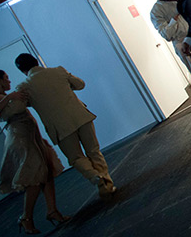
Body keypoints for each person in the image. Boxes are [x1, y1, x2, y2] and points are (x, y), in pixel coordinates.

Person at [0, 70, 70, 235]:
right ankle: (26, 217)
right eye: (6, 78)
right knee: (34, 177)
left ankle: (52, 210)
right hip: (21, 139)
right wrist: (9, 97)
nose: (9, 80)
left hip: (31, 136)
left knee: (45, 172)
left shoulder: (8, 95)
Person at [14, 53, 117, 198]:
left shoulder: (24, 87)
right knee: (94, 151)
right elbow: (80, 84)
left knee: (76, 158)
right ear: (36, 61)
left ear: (22, 70)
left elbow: (19, 108)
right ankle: (107, 184)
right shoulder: (58, 71)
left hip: (60, 127)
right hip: (80, 116)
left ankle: (95, 177)